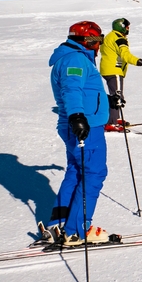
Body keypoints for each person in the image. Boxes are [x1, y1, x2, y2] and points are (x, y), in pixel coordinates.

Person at [47, 21, 111, 245]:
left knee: (76, 171)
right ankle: (76, 230)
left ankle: (59, 224)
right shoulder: (76, 59)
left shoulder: (72, 57)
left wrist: (107, 99)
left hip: (76, 123)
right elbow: (71, 88)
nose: (98, 46)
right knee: (94, 173)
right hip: (86, 126)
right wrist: (77, 116)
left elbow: (83, 90)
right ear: (87, 41)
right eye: (96, 41)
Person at [99, 18, 142, 131]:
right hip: (114, 71)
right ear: (121, 27)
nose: (128, 29)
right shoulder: (119, 39)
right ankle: (111, 123)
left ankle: (114, 118)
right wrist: (141, 62)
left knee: (116, 95)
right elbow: (126, 56)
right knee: (117, 97)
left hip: (108, 69)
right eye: (127, 27)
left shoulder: (110, 36)